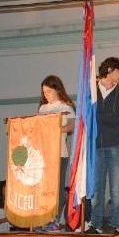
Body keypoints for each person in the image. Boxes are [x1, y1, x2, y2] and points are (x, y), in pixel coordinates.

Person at [92, 57, 119, 232]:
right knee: (97, 187)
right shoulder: (92, 90)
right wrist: (106, 116)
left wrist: (100, 115)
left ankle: (116, 223)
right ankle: (96, 223)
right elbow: (88, 115)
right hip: (96, 145)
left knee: (116, 189)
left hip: (116, 145)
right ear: (109, 70)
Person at [38, 74, 76, 227]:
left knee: (58, 187)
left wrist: (59, 129)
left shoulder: (65, 106)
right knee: (44, 187)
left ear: (57, 90)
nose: (46, 95)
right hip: (43, 153)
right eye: (44, 92)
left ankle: (55, 218)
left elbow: (72, 126)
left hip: (59, 153)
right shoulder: (42, 108)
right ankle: (43, 217)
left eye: (49, 91)